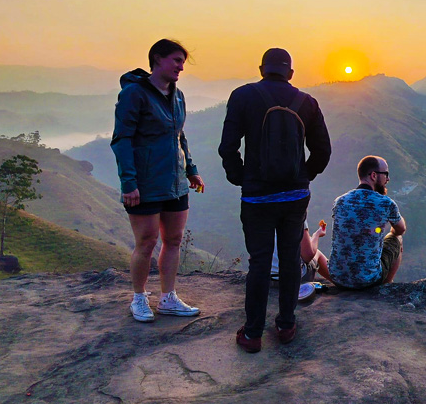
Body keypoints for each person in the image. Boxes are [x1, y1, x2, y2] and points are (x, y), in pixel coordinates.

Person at [219, 48, 331, 353]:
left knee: (259, 261)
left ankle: (253, 333)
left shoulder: (242, 96)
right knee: (290, 258)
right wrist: (303, 175)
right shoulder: (307, 102)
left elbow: (228, 146)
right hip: (295, 196)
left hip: (257, 196)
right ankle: (286, 325)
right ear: (291, 74)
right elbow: (323, 151)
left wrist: (240, 177)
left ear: (261, 69)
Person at [111, 39, 205, 323]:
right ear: (157, 59)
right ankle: (139, 298)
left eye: (182, 63)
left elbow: (180, 135)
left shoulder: (178, 95)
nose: (181, 67)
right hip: (145, 182)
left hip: (175, 181)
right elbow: (122, 139)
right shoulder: (134, 94)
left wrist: (190, 168)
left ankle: (168, 298)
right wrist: (129, 183)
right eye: (176, 60)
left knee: (173, 240)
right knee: (147, 241)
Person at [328, 155, 406, 289]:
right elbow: (400, 229)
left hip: (337, 277)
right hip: (367, 280)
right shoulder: (385, 203)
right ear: (374, 175)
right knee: (397, 239)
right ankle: (386, 287)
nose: (388, 179)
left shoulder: (340, 201)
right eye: (385, 174)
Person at [271, 219, 331, 284]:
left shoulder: (261, 212)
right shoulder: (297, 214)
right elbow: (308, 256)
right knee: (316, 252)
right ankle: (337, 279)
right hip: (292, 279)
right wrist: (316, 235)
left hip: (265, 278)